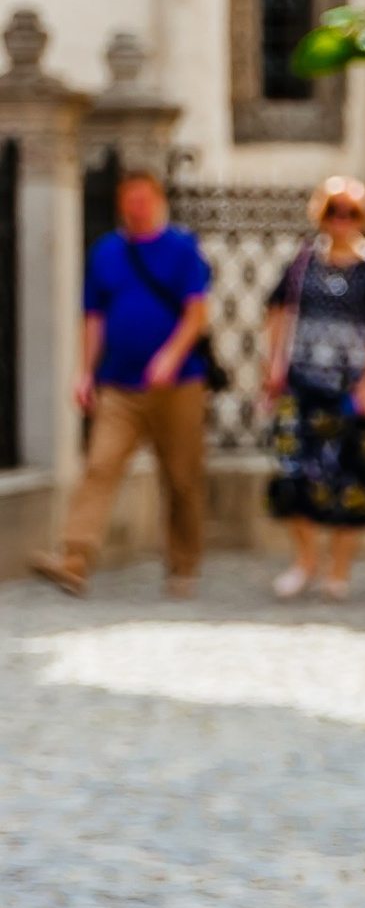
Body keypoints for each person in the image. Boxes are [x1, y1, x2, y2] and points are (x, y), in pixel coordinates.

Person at [29, 167, 215, 599]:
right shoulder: (107, 252)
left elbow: (196, 313)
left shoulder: (182, 248)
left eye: (143, 198)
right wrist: (85, 371)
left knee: (182, 479)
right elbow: (93, 316)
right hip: (119, 384)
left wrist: (170, 356)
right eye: (129, 200)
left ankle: (183, 565)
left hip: (179, 384)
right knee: (99, 467)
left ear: (157, 200)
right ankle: (75, 558)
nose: (136, 207)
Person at [263, 177, 365, 598]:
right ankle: (306, 561)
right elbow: (278, 310)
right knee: (294, 475)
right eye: (333, 211)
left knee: (351, 478)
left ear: (364, 218)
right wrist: (274, 364)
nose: (341, 220)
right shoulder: (303, 261)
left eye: (351, 212)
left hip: (351, 386)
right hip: (304, 380)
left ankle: (338, 570)